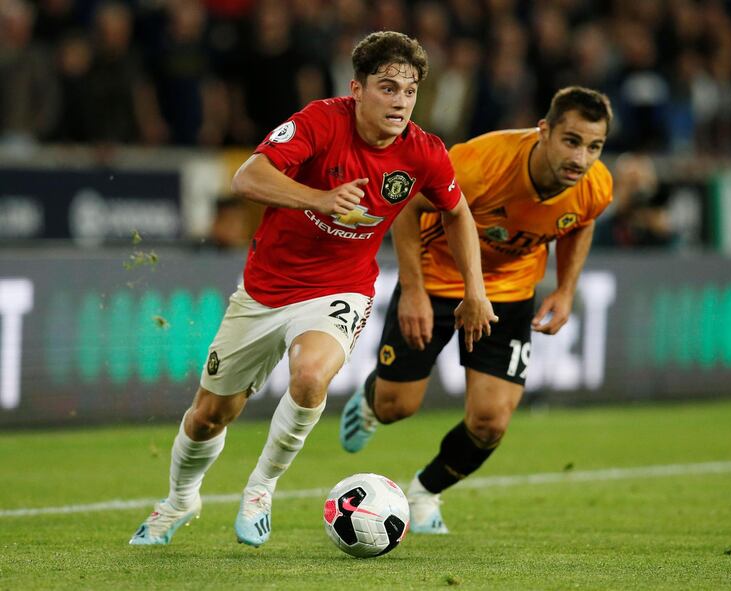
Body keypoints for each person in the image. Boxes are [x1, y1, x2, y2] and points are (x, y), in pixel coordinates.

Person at [129, 30, 496, 548]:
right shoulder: (321, 121)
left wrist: (474, 290)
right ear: (357, 89)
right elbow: (247, 178)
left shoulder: (424, 153)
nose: (400, 101)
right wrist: (316, 198)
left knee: (308, 377)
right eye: (387, 88)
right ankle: (180, 500)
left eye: (409, 91)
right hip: (265, 289)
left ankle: (261, 489)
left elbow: (456, 213)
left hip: (340, 288)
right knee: (211, 415)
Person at [339, 86, 614, 534]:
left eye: (594, 147)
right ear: (544, 131)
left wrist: (565, 289)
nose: (581, 159)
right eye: (571, 141)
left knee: (489, 424)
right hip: (436, 281)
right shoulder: (483, 162)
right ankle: (372, 400)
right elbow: (408, 204)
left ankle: (425, 493)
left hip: (507, 296)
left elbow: (581, 221)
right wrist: (412, 292)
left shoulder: (596, 183)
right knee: (396, 407)